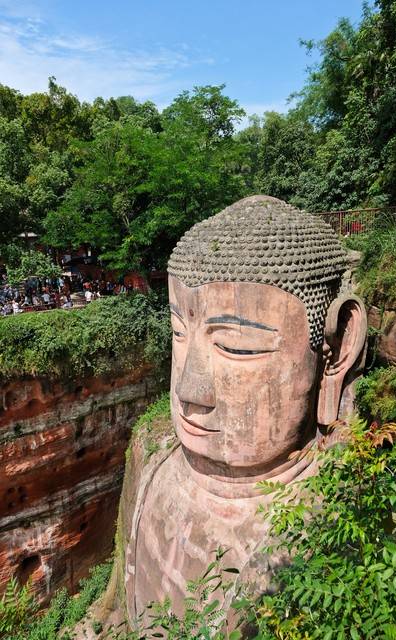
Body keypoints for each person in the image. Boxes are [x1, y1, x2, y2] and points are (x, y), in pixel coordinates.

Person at [124, 196, 367, 626]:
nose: (188, 390)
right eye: (178, 333)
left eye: (236, 347)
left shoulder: (330, 529)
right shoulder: (155, 469)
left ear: (337, 349)